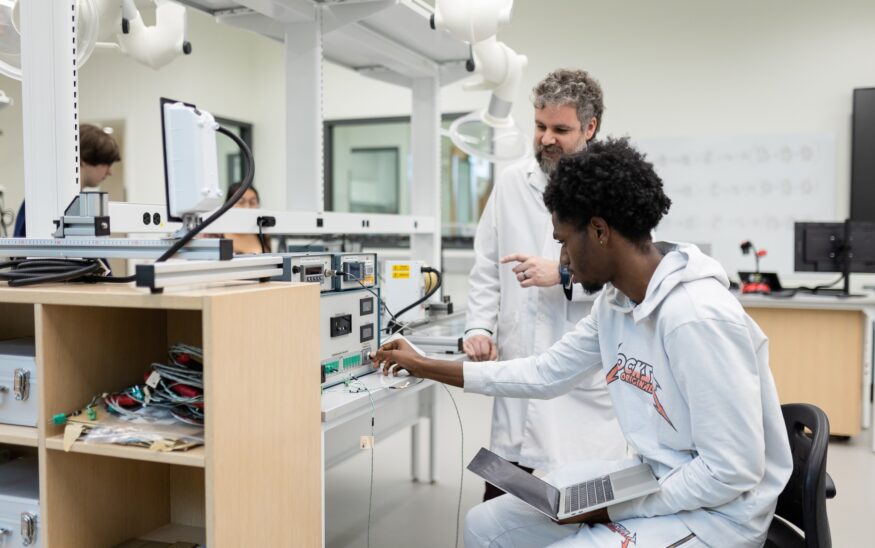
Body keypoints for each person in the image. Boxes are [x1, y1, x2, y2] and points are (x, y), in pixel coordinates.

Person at [375, 138, 792, 547]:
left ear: (599, 231)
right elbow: (544, 373)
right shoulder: (617, 302)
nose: (561, 260)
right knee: (485, 523)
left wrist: (610, 510)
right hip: (653, 479)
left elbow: (731, 472)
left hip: (717, 518)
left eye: (561, 241)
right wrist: (424, 364)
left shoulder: (696, 317)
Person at [464, 68, 625, 499]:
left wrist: (565, 273)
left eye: (560, 129)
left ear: (590, 127)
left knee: (572, 516)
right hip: (517, 377)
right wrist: (478, 327)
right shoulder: (513, 182)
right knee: (500, 512)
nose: (546, 139)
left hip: (579, 397)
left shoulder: (613, 190)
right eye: (539, 126)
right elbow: (485, 266)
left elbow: (629, 281)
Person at [13, 123, 120, 237]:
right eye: (106, 163)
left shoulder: (81, 203)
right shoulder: (42, 200)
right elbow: (23, 249)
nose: (110, 172)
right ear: (84, 158)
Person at [220, 182, 269, 255]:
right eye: (241, 202)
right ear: (228, 204)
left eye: (252, 202)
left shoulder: (262, 232)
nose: (247, 207)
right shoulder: (216, 234)